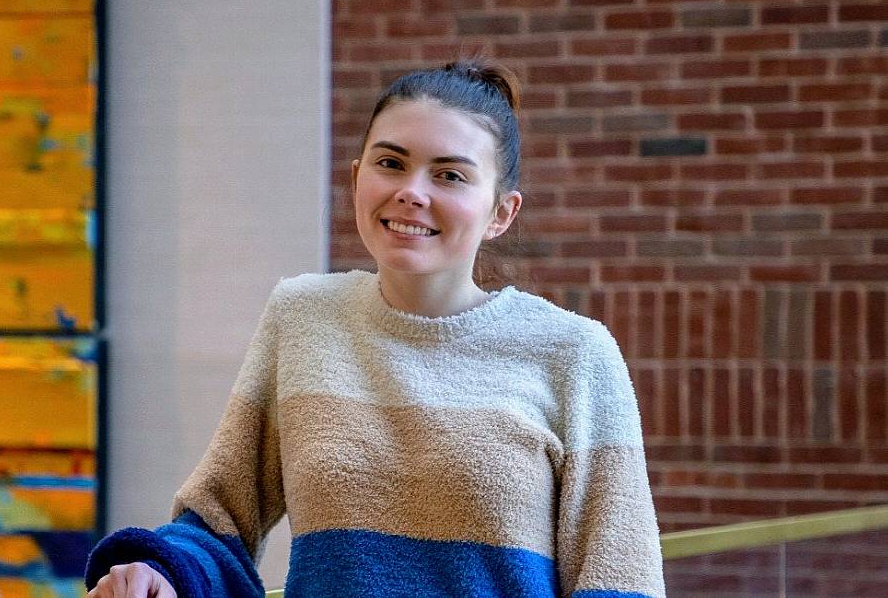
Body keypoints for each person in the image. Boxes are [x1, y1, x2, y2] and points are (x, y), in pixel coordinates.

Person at [85, 59, 665, 598]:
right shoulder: (302, 316)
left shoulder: (574, 352)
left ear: (501, 212)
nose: (412, 192)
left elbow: (620, 575)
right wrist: (160, 571)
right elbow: (221, 517)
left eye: (450, 175)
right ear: (358, 176)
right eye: (391, 163)